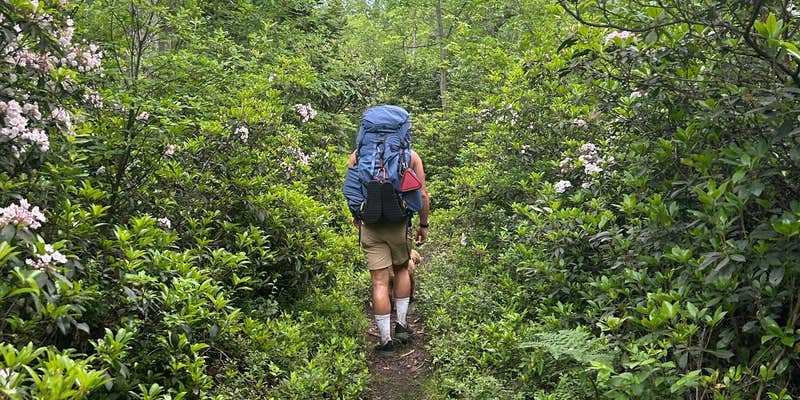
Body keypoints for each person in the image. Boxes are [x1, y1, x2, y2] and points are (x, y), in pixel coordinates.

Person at [347, 149, 430, 354]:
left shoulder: (358, 155)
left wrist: (356, 215)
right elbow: (422, 194)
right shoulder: (411, 156)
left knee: (379, 281)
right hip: (399, 224)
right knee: (402, 270)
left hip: (371, 225)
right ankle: (401, 326)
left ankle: (386, 341)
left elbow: (350, 190)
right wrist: (423, 225)